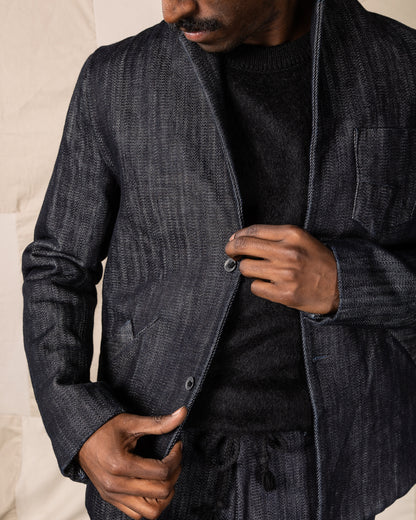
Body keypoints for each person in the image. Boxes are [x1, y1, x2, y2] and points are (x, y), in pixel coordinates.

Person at [21, 0, 416, 519]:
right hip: (156, 461)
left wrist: (350, 282)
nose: (174, 10)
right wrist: (81, 423)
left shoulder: (401, 66)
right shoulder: (114, 79)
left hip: (337, 464)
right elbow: (57, 265)